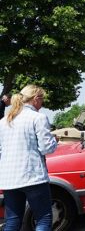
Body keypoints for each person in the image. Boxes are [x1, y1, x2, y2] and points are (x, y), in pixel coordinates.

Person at [0, 85, 57, 231]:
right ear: (36, 99)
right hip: (33, 176)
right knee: (43, 219)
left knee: (12, 221)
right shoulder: (38, 118)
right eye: (42, 99)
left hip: (9, 178)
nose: (42, 103)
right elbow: (47, 148)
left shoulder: (4, 121)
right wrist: (53, 140)